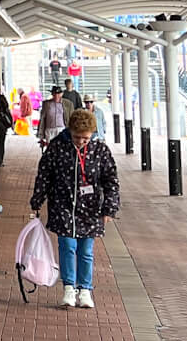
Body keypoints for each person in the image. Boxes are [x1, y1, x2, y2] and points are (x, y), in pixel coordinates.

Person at [30, 108, 121, 309]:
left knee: (86, 250)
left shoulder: (100, 150)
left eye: (85, 139)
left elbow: (111, 180)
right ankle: (69, 287)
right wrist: (37, 200)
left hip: (91, 208)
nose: (81, 142)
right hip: (63, 205)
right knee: (67, 247)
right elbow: (44, 175)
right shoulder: (57, 147)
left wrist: (109, 208)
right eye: (77, 137)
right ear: (70, 131)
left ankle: (85, 289)